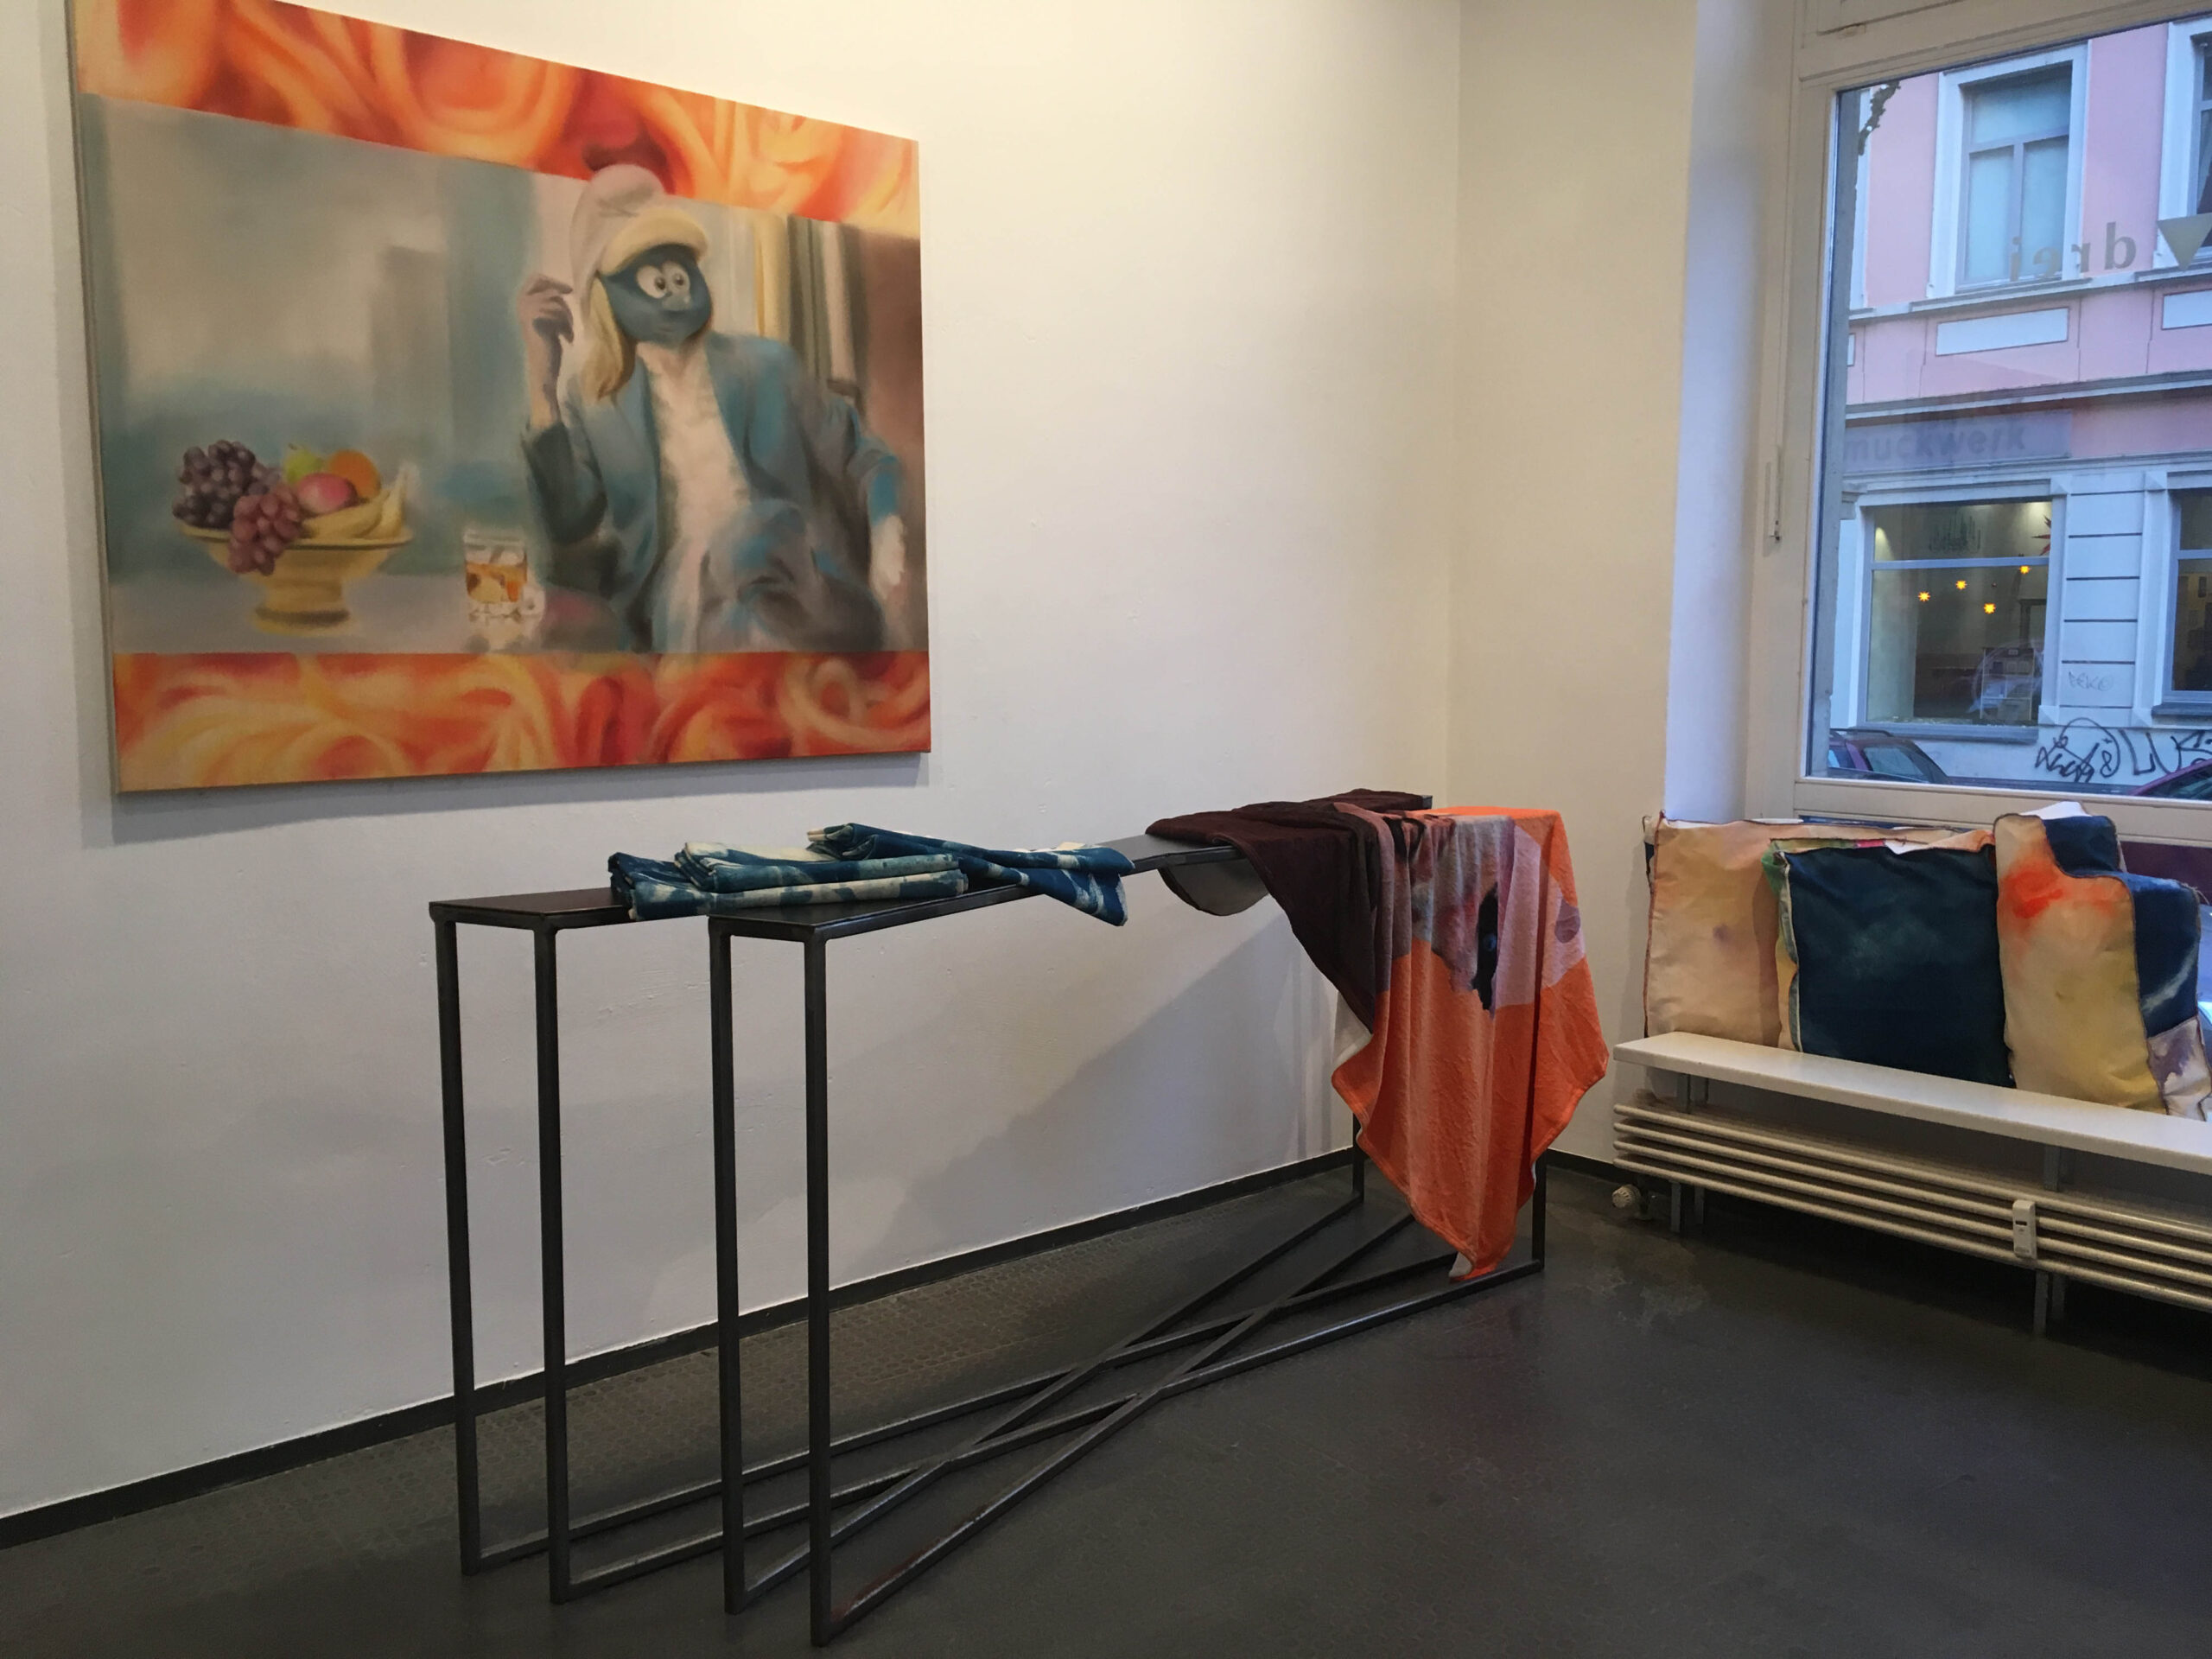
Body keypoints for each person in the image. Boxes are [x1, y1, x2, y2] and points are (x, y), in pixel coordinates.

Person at [518, 165, 907, 652]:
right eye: (654, 280)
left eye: (680, 273)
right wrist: (542, 386)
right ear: (604, 295)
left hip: (799, 586)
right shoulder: (595, 402)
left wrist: (887, 530)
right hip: (684, 608)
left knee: (757, 542)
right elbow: (567, 523)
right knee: (735, 563)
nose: (675, 291)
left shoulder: (768, 367)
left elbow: (863, 457)